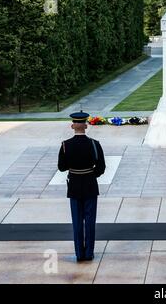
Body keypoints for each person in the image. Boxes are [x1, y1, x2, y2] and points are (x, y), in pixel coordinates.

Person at [58, 111, 106, 262]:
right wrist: (91, 174)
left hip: (74, 186)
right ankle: (89, 253)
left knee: (77, 222)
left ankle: (79, 254)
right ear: (86, 125)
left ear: (72, 126)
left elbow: (61, 167)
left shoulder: (65, 145)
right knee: (90, 221)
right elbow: (101, 167)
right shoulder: (94, 144)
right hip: (90, 184)